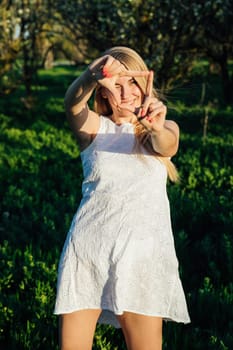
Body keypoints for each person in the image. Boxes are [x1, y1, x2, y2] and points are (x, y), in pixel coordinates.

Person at [54, 46, 190, 350]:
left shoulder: (164, 127)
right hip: (87, 254)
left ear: (145, 85)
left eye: (132, 83)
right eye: (116, 85)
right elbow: (72, 104)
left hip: (144, 257)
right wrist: (91, 75)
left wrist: (155, 127)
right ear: (103, 94)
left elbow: (167, 144)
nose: (126, 92)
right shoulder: (95, 130)